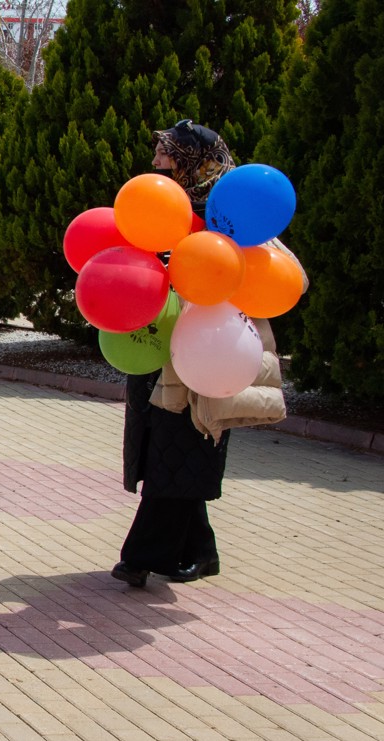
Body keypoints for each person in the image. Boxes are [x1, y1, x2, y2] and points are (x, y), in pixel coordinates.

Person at [112, 119, 305, 588]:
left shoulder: (233, 213)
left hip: (208, 353)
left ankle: (142, 556)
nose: (157, 161)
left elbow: (285, 276)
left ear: (194, 161)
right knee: (166, 450)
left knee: (181, 446)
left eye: (167, 154)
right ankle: (201, 549)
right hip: (157, 349)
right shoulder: (163, 207)